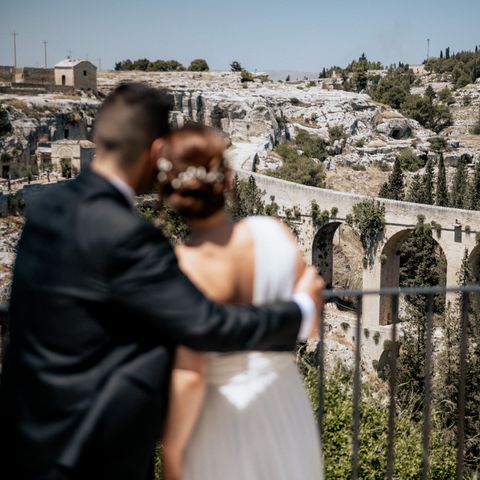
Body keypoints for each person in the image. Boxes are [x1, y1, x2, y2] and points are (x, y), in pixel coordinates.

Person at [0, 83, 324, 480]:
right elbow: (208, 324)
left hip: (31, 445)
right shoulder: (126, 235)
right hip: (94, 458)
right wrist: (301, 310)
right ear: (155, 153)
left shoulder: (47, 210)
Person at [158, 126, 323, 480]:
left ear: (169, 194)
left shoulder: (180, 267)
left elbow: (191, 376)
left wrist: (172, 454)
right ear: (228, 180)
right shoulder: (274, 233)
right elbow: (309, 322)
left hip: (220, 424)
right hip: (286, 412)